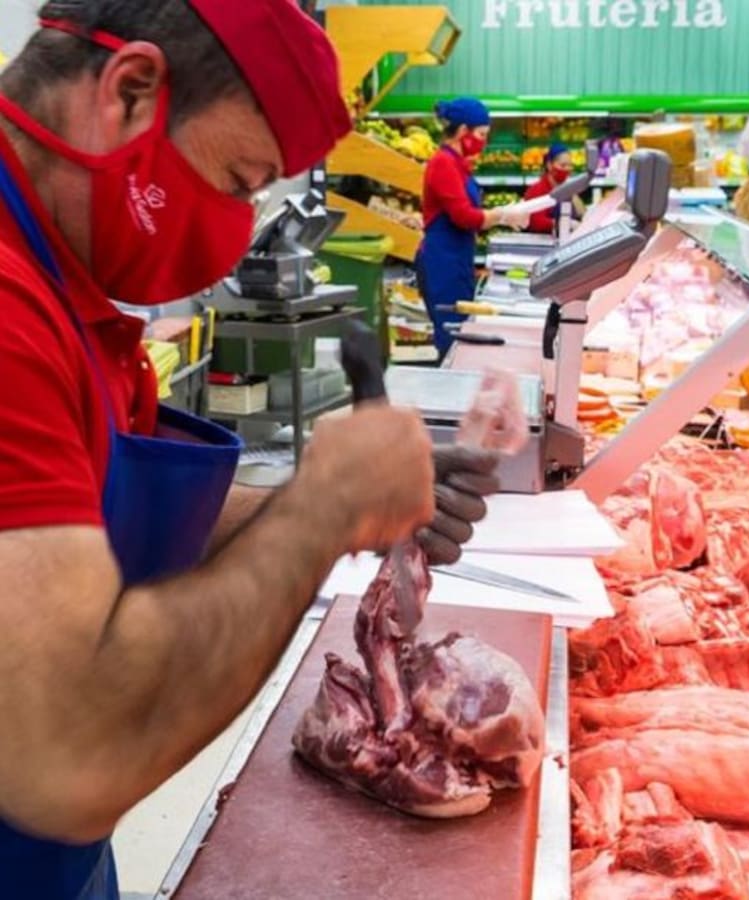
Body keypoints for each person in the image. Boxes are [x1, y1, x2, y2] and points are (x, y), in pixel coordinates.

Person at [0, 4, 499, 896]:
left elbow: (96, 515)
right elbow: (66, 758)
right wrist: (317, 514)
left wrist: (340, 506)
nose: (238, 225)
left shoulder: (67, 285)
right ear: (132, 91)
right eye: (236, 181)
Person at [416, 96, 529, 358]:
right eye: (481, 134)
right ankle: (448, 393)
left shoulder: (458, 163)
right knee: (451, 337)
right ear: (463, 130)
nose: (483, 141)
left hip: (456, 259)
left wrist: (500, 215)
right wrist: (502, 215)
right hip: (441, 262)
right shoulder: (443, 163)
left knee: (459, 331)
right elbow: (464, 216)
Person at [524, 141, 584, 235]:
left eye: (570, 165)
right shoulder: (536, 190)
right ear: (549, 165)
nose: (567, 169)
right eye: (563, 165)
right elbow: (537, 223)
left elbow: (581, 213)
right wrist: (563, 224)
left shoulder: (566, 188)